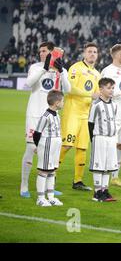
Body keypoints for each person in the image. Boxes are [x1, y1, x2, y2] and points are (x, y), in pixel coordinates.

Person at [20, 42, 70, 198]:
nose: (41, 53)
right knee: (31, 150)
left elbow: (68, 90)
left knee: (52, 152)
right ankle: (24, 186)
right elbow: (28, 83)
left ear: (52, 53)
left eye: (44, 51)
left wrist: (61, 72)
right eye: (40, 51)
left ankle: (50, 186)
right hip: (35, 116)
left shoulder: (61, 70)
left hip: (52, 117)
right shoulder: (35, 67)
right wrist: (44, 68)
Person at [59, 42, 101, 191]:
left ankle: (78, 181)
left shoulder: (97, 74)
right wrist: (90, 94)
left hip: (85, 115)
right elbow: (70, 89)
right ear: (84, 53)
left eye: (95, 52)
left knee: (82, 148)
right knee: (67, 145)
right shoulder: (76, 68)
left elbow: (97, 95)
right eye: (89, 51)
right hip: (72, 112)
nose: (92, 54)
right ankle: (51, 174)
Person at [101, 44, 121, 187]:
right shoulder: (108, 71)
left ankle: (115, 176)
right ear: (117, 55)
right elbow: (104, 92)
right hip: (112, 114)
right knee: (110, 144)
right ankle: (105, 175)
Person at [88, 77, 118, 202]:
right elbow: (90, 124)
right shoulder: (96, 105)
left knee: (108, 165)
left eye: (112, 88)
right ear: (101, 89)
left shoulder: (114, 105)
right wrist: (93, 139)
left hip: (111, 139)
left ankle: (105, 190)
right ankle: (97, 192)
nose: (111, 90)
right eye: (108, 88)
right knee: (98, 165)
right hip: (99, 138)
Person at [33, 90, 65, 207]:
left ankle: (51, 197)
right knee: (44, 170)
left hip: (56, 145)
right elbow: (37, 133)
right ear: (56, 102)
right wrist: (38, 146)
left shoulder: (57, 115)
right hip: (47, 144)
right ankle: (40, 198)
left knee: (52, 170)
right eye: (62, 101)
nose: (63, 103)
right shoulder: (45, 116)